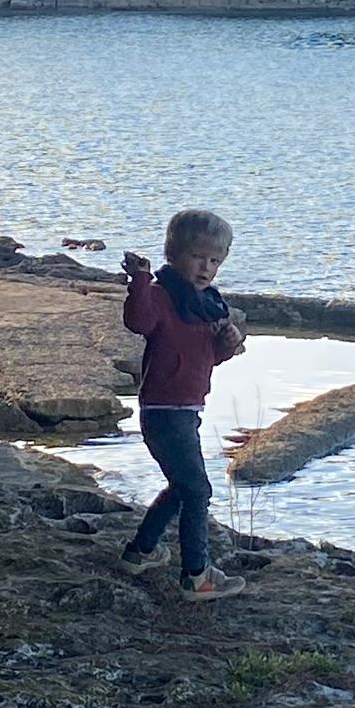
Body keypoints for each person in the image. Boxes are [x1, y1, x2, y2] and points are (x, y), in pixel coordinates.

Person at [120, 206, 245, 598]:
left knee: (181, 486)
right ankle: (196, 576)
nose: (205, 267)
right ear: (173, 255)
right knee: (197, 491)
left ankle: (140, 552)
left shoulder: (208, 303)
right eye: (197, 257)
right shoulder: (160, 295)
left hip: (188, 409)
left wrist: (228, 345)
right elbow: (138, 321)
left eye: (214, 260)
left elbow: (208, 355)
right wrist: (139, 280)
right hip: (162, 411)